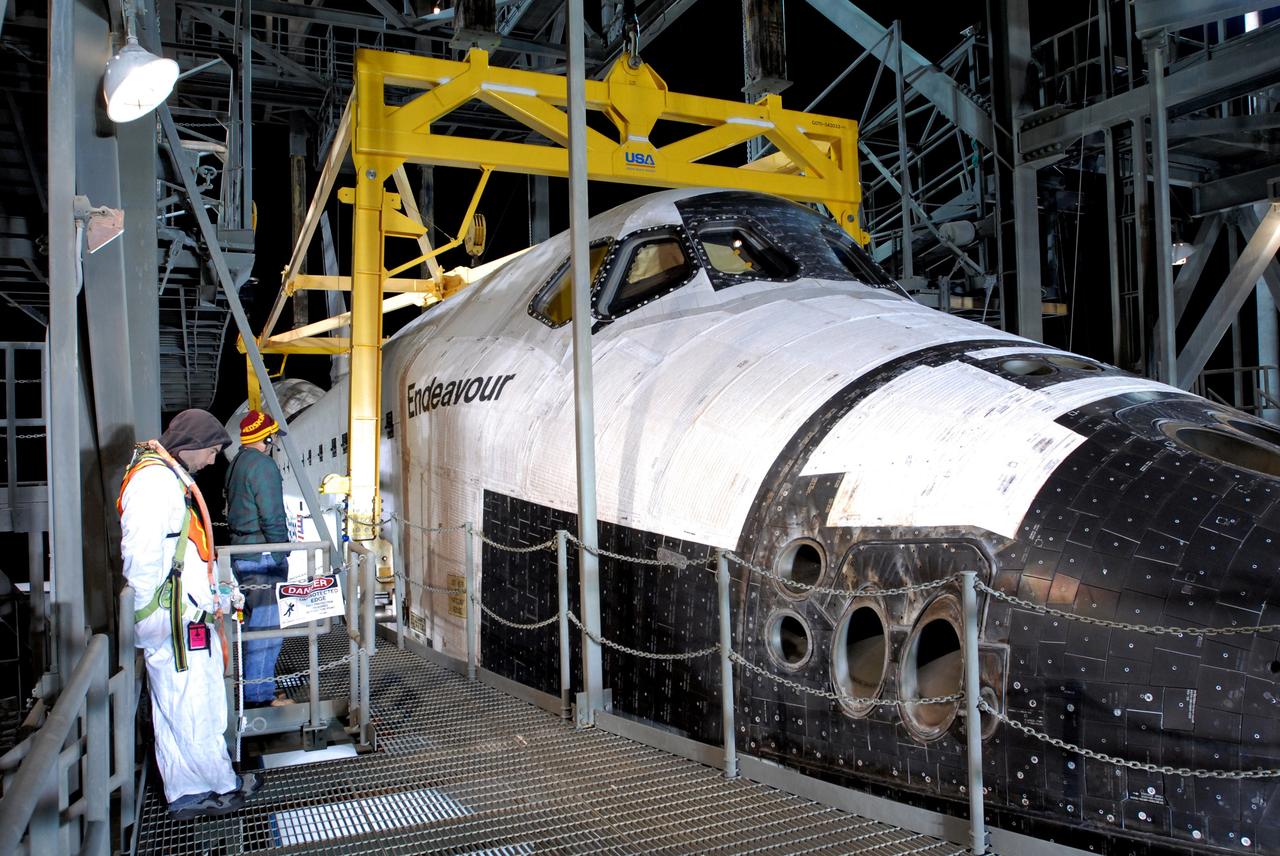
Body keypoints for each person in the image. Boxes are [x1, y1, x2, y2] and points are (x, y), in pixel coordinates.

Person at [118, 409, 261, 819]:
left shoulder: (161, 478)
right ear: (193, 446)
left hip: (177, 615)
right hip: (177, 621)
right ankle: (220, 786)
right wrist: (152, 618)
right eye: (213, 451)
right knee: (195, 702)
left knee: (175, 705)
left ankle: (186, 791)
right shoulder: (154, 484)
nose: (214, 460)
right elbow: (142, 562)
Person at [225, 409, 294, 709]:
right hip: (262, 556)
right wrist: (283, 551)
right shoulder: (263, 467)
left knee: (257, 624)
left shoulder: (236, 464)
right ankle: (258, 698)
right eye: (271, 436)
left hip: (243, 554)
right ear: (265, 437)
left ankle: (260, 688)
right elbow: (273, 516)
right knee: (268, 627)